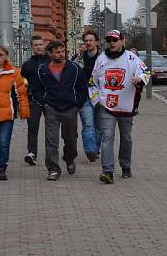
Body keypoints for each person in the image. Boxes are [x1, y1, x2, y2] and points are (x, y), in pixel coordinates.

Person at [90, 30, 150, 184]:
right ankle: (107, 171)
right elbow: (92, 82)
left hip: (126, 106)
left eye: (115, 40)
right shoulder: (101, 59)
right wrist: (96, 100)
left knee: (126, 138)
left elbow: (145, 72)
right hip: (106, 106)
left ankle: (125, 166)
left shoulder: (131, 58)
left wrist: (140, 78)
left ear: (122, 41)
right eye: (109, 40)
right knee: (107, 137)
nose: (112, 43)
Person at [32, 41, 88, 181]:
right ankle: (53, 169)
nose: (61, 54)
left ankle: (69, 158)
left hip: (70, 108)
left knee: (70, 138)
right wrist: (44, 103)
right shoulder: (42, 70)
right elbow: (36, 89)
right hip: (51, 108)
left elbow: (83, 87)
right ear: (50, 54)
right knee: (51, 140)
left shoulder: (74, 68)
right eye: (57, 52)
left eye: (62, 51)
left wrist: (78, 104)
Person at [0, 46, 30, 181]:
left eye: (1, 54)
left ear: (6, 56)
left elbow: (21, 93)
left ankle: (1, 168)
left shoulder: (14, 72)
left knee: (3, 142)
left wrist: (24, 111)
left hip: (7, 115)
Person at [21, 35, 49, 166]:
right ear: (32, 47)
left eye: (40, 44)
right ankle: (31, 153)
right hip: (34, 100)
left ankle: (51, 154)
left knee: (51, 128)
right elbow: (22, 83)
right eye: (35, 45)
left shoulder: (51, 61)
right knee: (32, 127)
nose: (38, 47)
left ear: (44, 45)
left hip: (51, 100)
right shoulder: (27, 65)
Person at [74, 30, 101, 161]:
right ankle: (91, 150)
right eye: (86, 40)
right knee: (88, 124)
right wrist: (79, 54)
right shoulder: (80, 57)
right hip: (84, 95)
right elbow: (71, 68)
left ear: (97, 42)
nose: (88, 43)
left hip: (100, 96)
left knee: (100, 126)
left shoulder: (103, 58)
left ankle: (96, 147)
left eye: (91, 40)